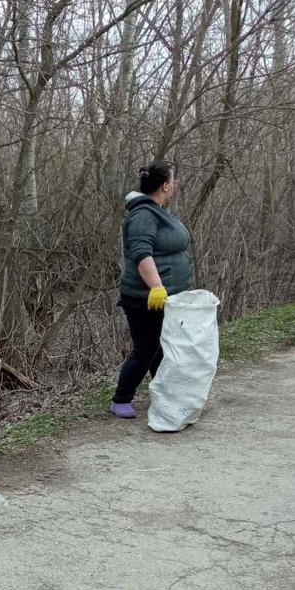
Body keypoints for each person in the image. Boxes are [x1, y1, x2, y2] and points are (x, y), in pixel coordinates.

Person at [110, 160, 192, 419]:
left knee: (161, 346)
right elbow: (141, 253)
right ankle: (121, 399)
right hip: (144, 298)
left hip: (164, 297)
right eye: (174, 179)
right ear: (166, 185)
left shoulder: (157, 210)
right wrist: (157, 287)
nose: (176, 183)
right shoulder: (143, 214)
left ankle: (164, 393)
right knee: (146, 347)